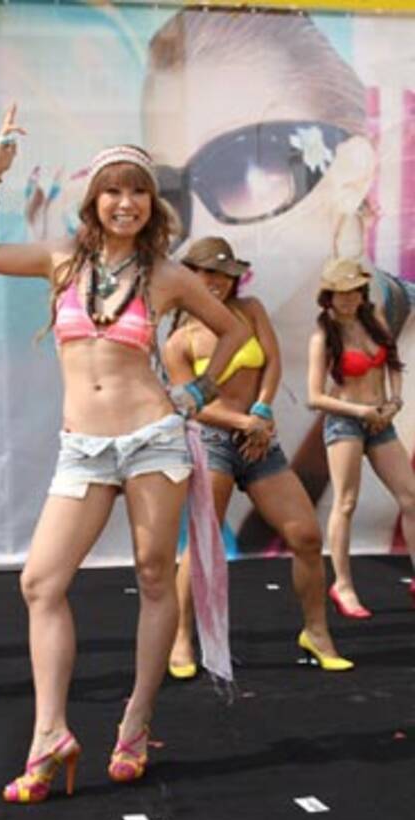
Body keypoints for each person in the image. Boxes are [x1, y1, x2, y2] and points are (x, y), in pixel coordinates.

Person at [0, 105, 247, 803]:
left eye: (139, 191)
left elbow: (235, 333)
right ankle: (50, 732)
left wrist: (197, 392)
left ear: (152, 204)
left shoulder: (168, 275)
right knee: (40, 583)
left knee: (153, 577)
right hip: (83, 448)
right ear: (94, 200)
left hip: (153, 440)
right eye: (114, 190)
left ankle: (136, 721)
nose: (126, 202)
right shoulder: (61, 259)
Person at [143, 6, 414, 556]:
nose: (203, 226)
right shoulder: (188, 342)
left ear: (350, 169)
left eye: (245, 165)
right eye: (172, 189)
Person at [164, 237, 353, 677]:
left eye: (224, 274)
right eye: (207, 273)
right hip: (213, 443)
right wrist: (244, 422)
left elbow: (271, 363)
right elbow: (190, 405)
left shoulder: (250, 310)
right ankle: (181, 639)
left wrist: (263, 411)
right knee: (203, 544)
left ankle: (316, 632)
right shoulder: (179, 341)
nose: (217, 282)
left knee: (306, 536)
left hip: (260, 440)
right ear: (189, 276)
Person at [308, 257, 415, 616]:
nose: (349, 298)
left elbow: (393, 362)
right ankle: (343, 584)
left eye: (354, 291)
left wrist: (394, 400)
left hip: (380, 419)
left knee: (410, 496)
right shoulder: (324, 336)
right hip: (346, 422)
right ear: (329, 295)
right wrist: (359, 412)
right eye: (342, 292)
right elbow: (315, 396)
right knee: (346, 503)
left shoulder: (374, 320)